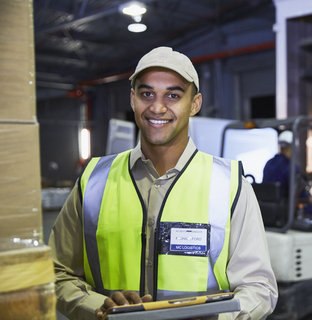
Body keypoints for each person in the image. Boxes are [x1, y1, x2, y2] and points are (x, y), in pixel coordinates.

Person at [49, 46, 278, 320]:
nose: (157, 107)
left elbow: (259, 287)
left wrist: (218, 318)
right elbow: (54, 273)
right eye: (147, 94)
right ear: (133, 100)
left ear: (195, 104)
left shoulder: (230, 185)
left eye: (173, 95)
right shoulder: (94, 181)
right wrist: (99, 307)